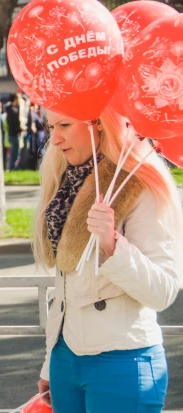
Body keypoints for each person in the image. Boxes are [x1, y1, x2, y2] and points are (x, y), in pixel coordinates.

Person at [33, 106, 182, 412]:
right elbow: (66, 291)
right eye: (50, 128)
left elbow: (164, 291)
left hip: (122, 360)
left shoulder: (139, 183)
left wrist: (113, 245)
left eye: (64, 124)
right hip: (66, 358)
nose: (55, 139)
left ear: (98, 122)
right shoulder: (65, 182)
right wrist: (51, 363)